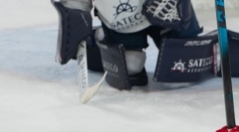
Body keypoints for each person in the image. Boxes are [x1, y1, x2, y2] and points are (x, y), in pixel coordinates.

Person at [53, 0, 202, 86]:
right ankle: (100, 40)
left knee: (185, 60)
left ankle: (215, 53)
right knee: (131, 65)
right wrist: (74, 14)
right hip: (122, 25)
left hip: (166, 9)